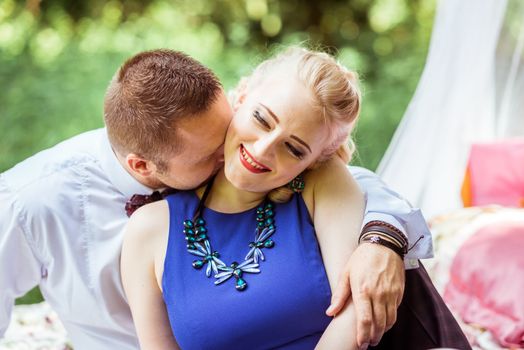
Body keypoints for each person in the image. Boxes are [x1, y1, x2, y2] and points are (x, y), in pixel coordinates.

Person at [0, 49, 433, 350]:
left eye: (229, 126)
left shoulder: (216, 126)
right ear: (143, 168)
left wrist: (383, 237)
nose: (251, 154)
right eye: (213, 155)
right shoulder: (32, 202)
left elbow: (349, 179)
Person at [121, 47, 470, 349]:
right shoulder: (149, 230)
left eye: (293, 148)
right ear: (240, 98)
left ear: (314, 160)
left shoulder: (323, 183)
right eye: (261, 118)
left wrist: (384, 240)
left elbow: (354, 315)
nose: (262, 149)